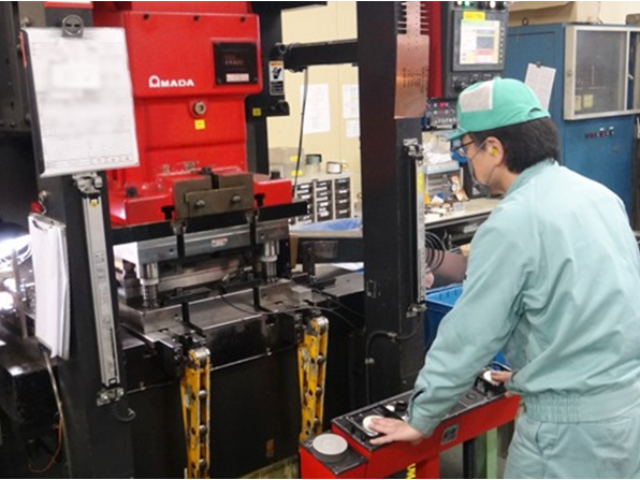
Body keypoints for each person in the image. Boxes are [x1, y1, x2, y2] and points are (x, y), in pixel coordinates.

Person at [369, 78, 640, 479]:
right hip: (627, 418)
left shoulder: (512, 223)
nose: (466, 159)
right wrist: (535, 371)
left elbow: (471, 335)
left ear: (494, 149)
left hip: (566, 437)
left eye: (466, 147)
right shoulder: (599, 196)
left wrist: (421, 415)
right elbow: (603, 305)